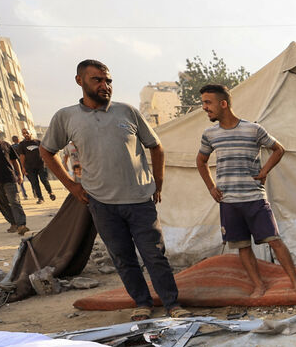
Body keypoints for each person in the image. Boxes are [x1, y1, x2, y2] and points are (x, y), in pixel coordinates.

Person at [40, 59, 187, 321]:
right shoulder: (66, 117)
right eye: (97, 80)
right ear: (80, 81)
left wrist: (158, 182)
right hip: (101, 203)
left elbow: (156, 146)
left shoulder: (127, 111)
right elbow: (47, 151)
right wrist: (72, 186)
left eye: (108, 80)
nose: (105, 85)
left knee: (154, 255)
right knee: (122, 257)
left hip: (140, 199)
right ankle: (142, 302)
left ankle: (172, 304)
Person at [194, 83, 296, 297]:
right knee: (242, 246)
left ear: (223, 104)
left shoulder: (253, 129)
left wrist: (264, 171)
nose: (204, 108)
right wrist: (211, 187)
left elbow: (278, 149)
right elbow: (201, 161)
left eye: (208, 103)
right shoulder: (209, 134)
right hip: (228, 201)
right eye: (203, 103)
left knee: (274, 240)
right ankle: (259, 285)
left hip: (254, 197)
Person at [17, 130, 56, 204]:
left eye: (27, 133)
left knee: (44, 179)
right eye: (24, 133)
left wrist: (46, 162)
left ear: (30, 133)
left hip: (41, 165)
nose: (26, 134)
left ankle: (50, 193)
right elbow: (22, 156)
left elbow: (44, 152)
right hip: (29, 167)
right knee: (35, 183)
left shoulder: (38, 142)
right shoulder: (22, 144)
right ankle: (40, 198)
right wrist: (23, 167)